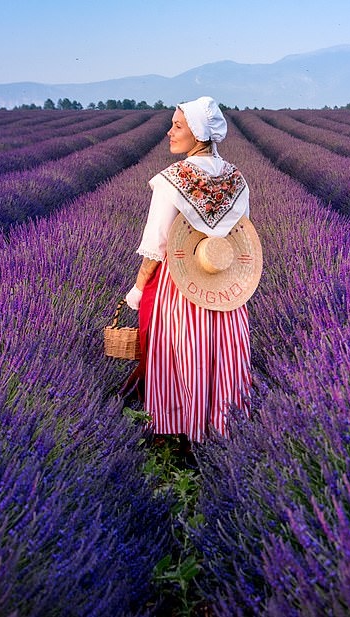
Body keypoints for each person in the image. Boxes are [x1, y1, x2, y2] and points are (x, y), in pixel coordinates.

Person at [121, 96, 259, 444]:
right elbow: (241, 233)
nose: (169, 132)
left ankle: (178, 432)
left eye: (177, 126)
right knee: (221, 353)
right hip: (223, 283)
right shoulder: (236, 179)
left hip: (182, 285)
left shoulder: (172, 180)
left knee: (181, 353)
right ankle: (221, 427)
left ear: (197, 132)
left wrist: (138, 289)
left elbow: (156, 245)